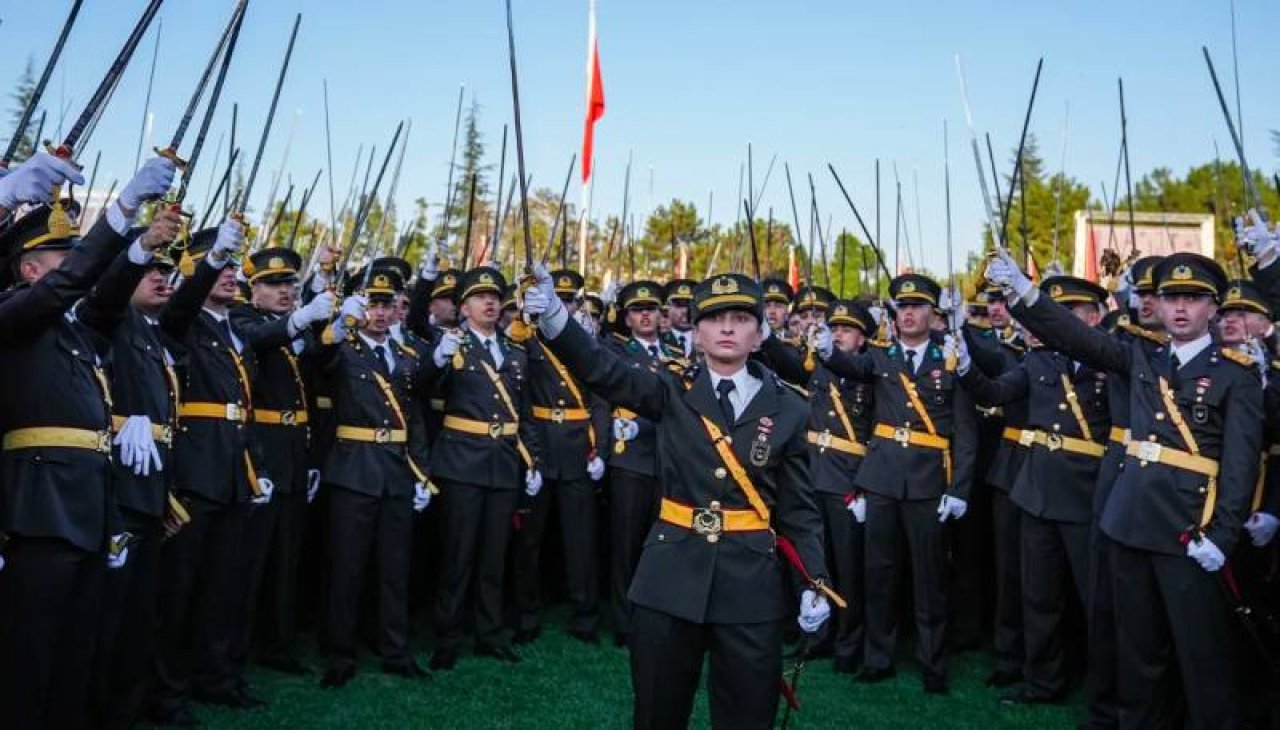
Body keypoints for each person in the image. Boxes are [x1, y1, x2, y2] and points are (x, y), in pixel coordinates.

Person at [524, 268, 832, 730]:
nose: (727, 328)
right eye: (714, 318)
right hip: (670, 578)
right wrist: (554, 318)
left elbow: (799, 510)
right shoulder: (669, 388)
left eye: (740, 318)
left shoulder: (789, 406)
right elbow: (602, 369)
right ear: (696, 333)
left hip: (751, 585)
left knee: (748, 716)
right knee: (657, 713)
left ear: (760, 332)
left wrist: (815, 581)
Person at [987, 249, 1262, 729]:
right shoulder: (1139, 354)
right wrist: (1025, 292)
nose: (1179, 308)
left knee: (1201, 650)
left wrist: (1222, 535)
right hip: (1129, 521)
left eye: (1193, 300)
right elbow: (1075, 337)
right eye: (1171, 297)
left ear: (1213, 309)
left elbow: (1239, 466)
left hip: (1188, 530)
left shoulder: (1235, 374)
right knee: (1135, 648)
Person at [0, 153, 174, 729]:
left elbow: (101, 296)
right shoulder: (15, 313)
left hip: (90, 506)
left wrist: (141, 246)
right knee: (31, 659)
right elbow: (74, 284)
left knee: (77, 655)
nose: (77, 268)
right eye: (62, 257)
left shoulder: (75, 328)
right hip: (39, 509)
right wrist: (119, 211)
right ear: (29, 269)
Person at [814, 273, 977, 694]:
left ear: (932, 314)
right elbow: (848, 364)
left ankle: (933, 663)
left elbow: (965, 432)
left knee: (929, 580)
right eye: (901, 307)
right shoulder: (881, 357)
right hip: (882, 479)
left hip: (927, 483)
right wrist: (826, 349)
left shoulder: (951, 359)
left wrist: (959, 489)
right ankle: (877, 656)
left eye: (917, 306)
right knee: (879, 574)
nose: (908, 314)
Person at [957, 275, 1113, 705]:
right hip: (1037, 490)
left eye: (1070, 315)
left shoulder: (1110, 363)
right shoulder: (1039, 361)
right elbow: (996, 392)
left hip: (1088, 492)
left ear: (1094, 318)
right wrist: (966, 367)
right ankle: (1042, 682)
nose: (1058, 324)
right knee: (1038, 596)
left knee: (1097, 601)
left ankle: (1105, 694)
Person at [151, 218, 275, 720]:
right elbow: (181, 303)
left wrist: (255, 466)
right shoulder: (180, 319)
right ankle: (168, 690)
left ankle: (217, 675)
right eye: (215, 268)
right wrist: (212, 260)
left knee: (225, 585)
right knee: (180, 589)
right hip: (196, 471)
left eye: (229, 268)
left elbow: (244, 407)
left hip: (233, 470)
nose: (228, 276)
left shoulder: (236, 328)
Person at [80, 208, 186, 730]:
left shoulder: (151, 333)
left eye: (166, 271)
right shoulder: (112, 321)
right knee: (109, 614)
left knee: (140, 614)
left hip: (149, 488)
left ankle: (127, 706)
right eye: (150, 271)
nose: (162, 278)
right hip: (116, 487)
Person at [316, 266, 433, 688]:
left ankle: (395, 651)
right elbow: (317, 358)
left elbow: (414, 419)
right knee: (347, 568)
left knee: (394, 568)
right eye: (372, 304)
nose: (380, 313)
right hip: (353, 468)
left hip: (396, 472)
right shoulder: (343, 348)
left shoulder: (405, 358)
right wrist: (338, 321)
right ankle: (340, 654)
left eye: (386, 304)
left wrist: (422, 473)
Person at [425, 266, 543, 670]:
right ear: (463, 307)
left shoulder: (515, 351)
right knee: (457, 556)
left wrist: (533, 459)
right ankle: (447, 636)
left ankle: (489, 634)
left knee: (495, 556)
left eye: (495, 297)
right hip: (462, 461)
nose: (490, 303)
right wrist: (438, 359)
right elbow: (422, 389)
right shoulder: (452, 346)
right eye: (479, 297)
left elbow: (524, 413)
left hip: (504, 463)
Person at [230, 248, 333, 676]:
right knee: (251, 560)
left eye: (290, 284)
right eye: (274, 285)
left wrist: (333, 328)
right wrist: (303, 317)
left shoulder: (297, 330)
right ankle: (237, 647)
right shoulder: (243, 319)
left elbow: (313, 378)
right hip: (263, 450)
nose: (285, 291)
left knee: (286, 557)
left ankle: (278, 642)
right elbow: (261, 339)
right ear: (252, 290)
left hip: (293, 450)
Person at [762, 299, 876, 674]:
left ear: (863, 338)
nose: (838, 334)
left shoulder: (873, 372)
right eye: (835, 328)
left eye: (846, 329)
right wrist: (765, 334)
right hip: (812, 473)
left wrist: (864, 486)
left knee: (848, 568)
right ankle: (816, 636)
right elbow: (788, 365)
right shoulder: (818, 366)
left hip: (847, 479)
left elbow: (879, 433)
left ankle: (849, 642)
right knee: (813, 565)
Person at [513, 268, 610, 645]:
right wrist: (528, 452)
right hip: (539, 444)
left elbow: (600, 400)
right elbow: (518, 399)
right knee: (530, 540)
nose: (566, 306)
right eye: (561, 299)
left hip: (577, 449)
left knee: (580, 540)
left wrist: (599, 449)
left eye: (571, 300)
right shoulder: (527, 338)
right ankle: (526, 613)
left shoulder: (583, 343)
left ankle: (585, 616)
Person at [602, 280, 684, 647]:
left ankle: (655, 614)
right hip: (630, 457)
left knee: (661, 544)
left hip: (666, 457)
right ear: (626, 317)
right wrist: (603, 446)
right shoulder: (618, 351)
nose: (646, 314)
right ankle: (623, 620)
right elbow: (601, 396)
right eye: (637, 309)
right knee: (624, 544)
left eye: (651, 308)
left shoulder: (677, 350)